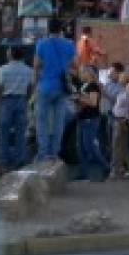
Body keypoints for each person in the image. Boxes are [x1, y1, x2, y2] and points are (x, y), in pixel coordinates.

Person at [33, 18, 77, 161]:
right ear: (61, 29)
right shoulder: (69, 45)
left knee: (42, 121)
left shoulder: (42, 44)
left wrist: (35, 85)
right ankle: (55, 152)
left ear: (48, 29)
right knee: (59, 122)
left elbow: (36, 66)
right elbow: (75, 65)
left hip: (45, 85)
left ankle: (44, 153)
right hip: (62, 87)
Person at [0, 45, 33, 170]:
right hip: (22, 100)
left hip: (6, 101)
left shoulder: (3, 69)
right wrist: (27, 99)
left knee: (3, 132)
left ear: (11, 54)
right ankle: (19, 159)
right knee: (20, 132)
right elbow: (30, 88)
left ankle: (4, 160)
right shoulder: (28, 70)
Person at [74, 65, 109, 181]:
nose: (81, 74)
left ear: (89, 74)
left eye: (83, 72)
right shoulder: (83, 86)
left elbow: (93, 103)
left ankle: (105, 166)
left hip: (91, 119)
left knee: (89, 145)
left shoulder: (93, 86)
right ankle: (83, 171)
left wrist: (79, 99)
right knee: (80, 147)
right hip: (81, 118)